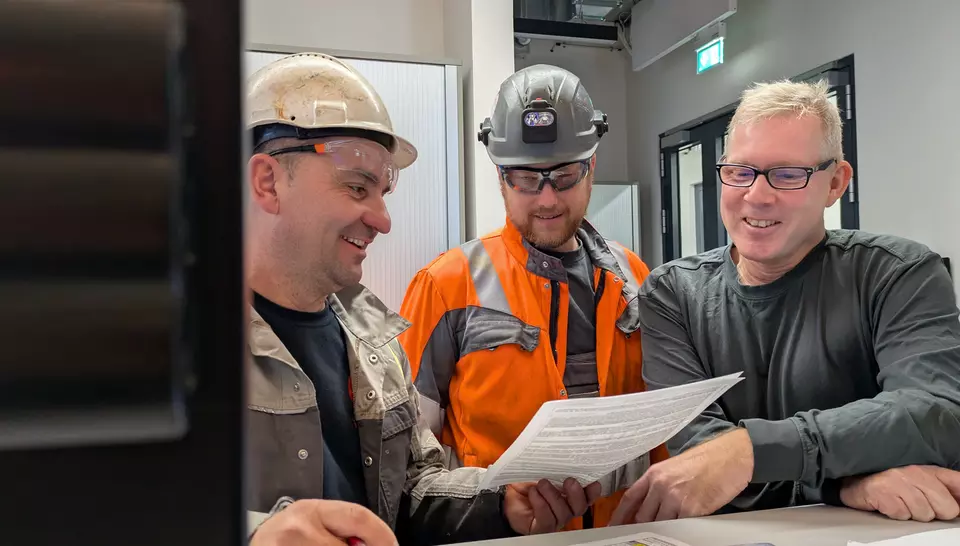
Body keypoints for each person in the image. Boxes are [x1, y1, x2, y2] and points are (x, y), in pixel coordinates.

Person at [243, 53, 601, 546]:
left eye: (383, 190)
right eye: (356, 187)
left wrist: (500, 503)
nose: (382, 219)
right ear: (268, 181)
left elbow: (412, 493)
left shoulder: (373, 341)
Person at [611, 79, 960, 526]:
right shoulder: (673, 293)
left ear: (836, 183)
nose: (757, 195)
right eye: (740, 172)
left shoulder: (897, 273)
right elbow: (703, 457)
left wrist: (749, 451)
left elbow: (934, 412)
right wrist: (840, 484)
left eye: (788, 174)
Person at [397, 64, 668, 531]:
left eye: (564, 175)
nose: (546, 200)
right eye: (525, 178)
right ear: (500, 177)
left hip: (625, 534)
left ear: (592, 168)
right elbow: (403, 460)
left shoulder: (632, 276)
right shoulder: (445, 285)